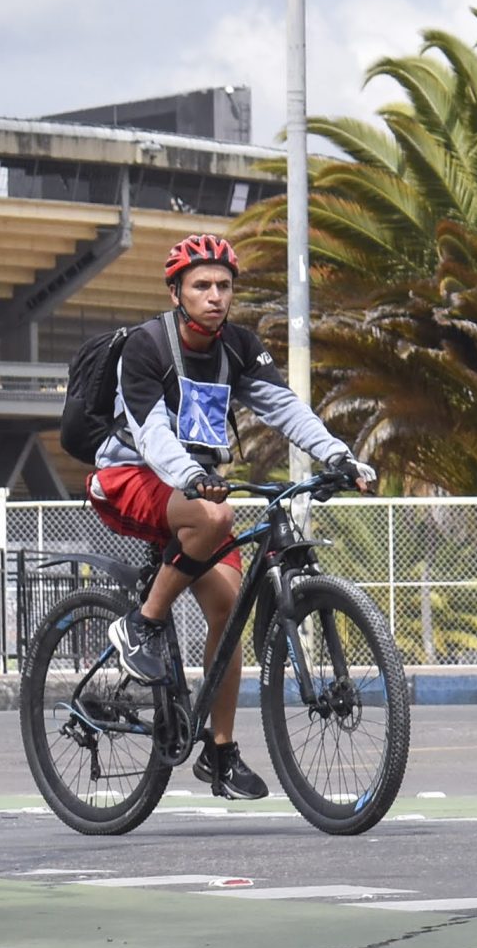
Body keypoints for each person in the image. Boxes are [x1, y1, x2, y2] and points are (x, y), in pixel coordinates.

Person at [87, 233, 376, 800]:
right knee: (214, 517)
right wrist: (191, 477)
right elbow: (150, 433)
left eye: (224, 286)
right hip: (131, 473)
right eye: (201, 286)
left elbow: (284, 407)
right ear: (176, 292)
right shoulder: (145, 347)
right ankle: (142, 624)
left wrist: (338, 454)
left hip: (198, 486)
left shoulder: (238, 346)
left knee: (228, 608)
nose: (215, 295)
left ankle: (218, 753)